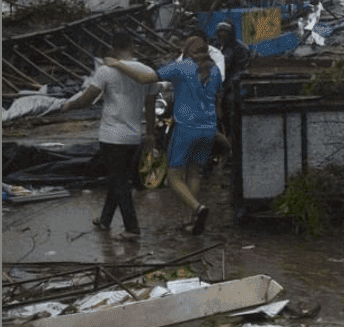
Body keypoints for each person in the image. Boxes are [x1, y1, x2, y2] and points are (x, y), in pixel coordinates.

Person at [109, 35, 222, 235]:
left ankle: (198, 208)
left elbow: (145, 78)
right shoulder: (215, 71)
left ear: (187, 52)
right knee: (194, 173)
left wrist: (117, 64)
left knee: (173, 178)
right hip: (209, 128)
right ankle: (189, 220)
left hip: (186, 128)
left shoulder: (181, 67)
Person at [59, 32, 155, 240]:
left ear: (112, 47)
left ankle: (132, 228)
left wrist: (68, 105)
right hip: (134, 136)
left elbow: (87, 99)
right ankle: (105, 220)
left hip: (112, 136)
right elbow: (150, 105)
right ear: (132, 46)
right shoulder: (147, 71)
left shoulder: (106, 71)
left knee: (119, 181)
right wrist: (151, 133)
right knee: (117, 178)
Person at [213, 21, 251, 150]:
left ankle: (233, 142)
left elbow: (241, 70)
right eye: (220, 31)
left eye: (225, 31)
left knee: (230, 109)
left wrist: (227, 87)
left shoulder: (239, 48)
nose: (222, 34)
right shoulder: (215, 47)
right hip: (214, 87)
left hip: (231, 87)